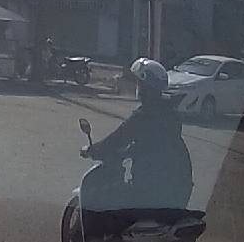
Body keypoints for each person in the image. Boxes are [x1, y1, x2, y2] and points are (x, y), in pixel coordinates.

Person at [82, 57, 193, 211]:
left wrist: (93, 150)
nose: (137, 88)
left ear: (145, 88)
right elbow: (152, 146)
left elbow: (117, 139)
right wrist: (125, 153)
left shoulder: (144, 116)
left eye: (139, 84)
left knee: (108, 202)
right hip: (181, 190)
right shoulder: (170, 113)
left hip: (150, 190)